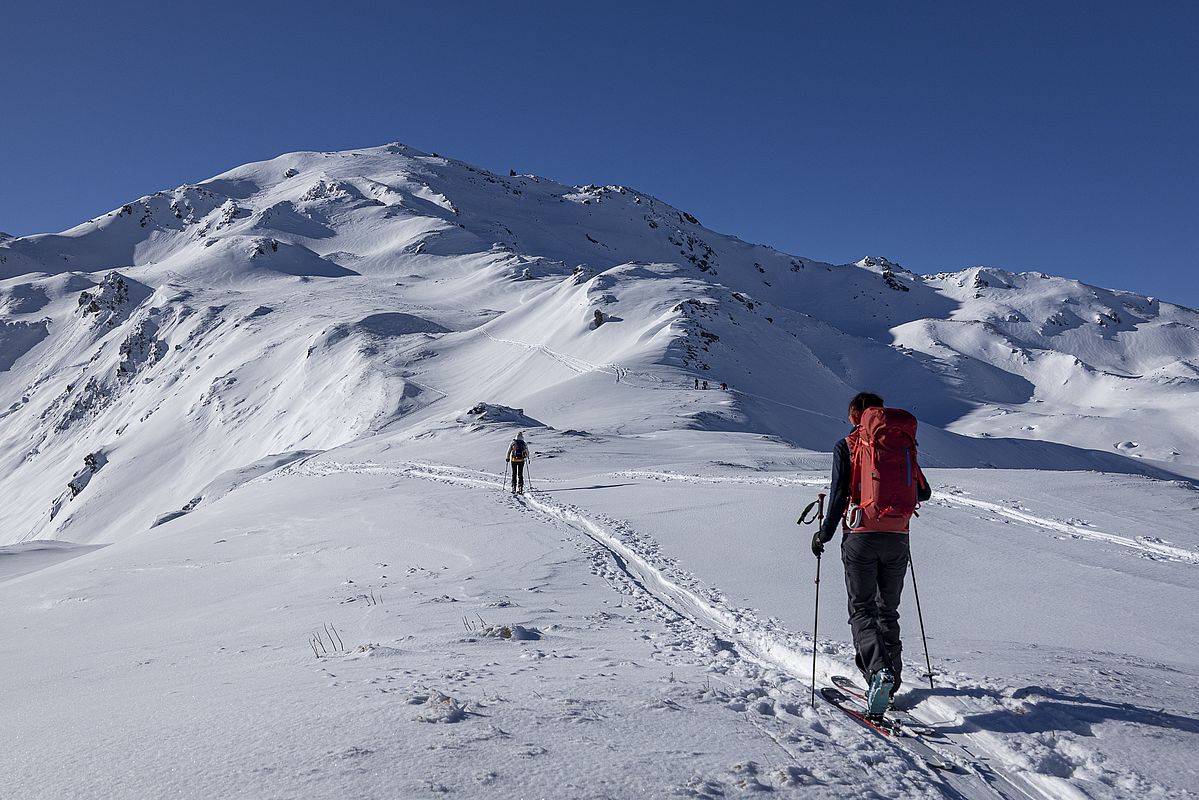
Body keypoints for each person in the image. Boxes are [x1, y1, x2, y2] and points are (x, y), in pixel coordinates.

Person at [811, 392, 930, 716]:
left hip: (860, 536)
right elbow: (924, 492)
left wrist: (824, 534)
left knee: (862, 610)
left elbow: (837, 497)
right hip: (898, 537)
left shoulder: (847, 445)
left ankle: (878, 672)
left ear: (854, 417)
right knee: (887, 612)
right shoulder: (900, 441)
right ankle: (890, 684)